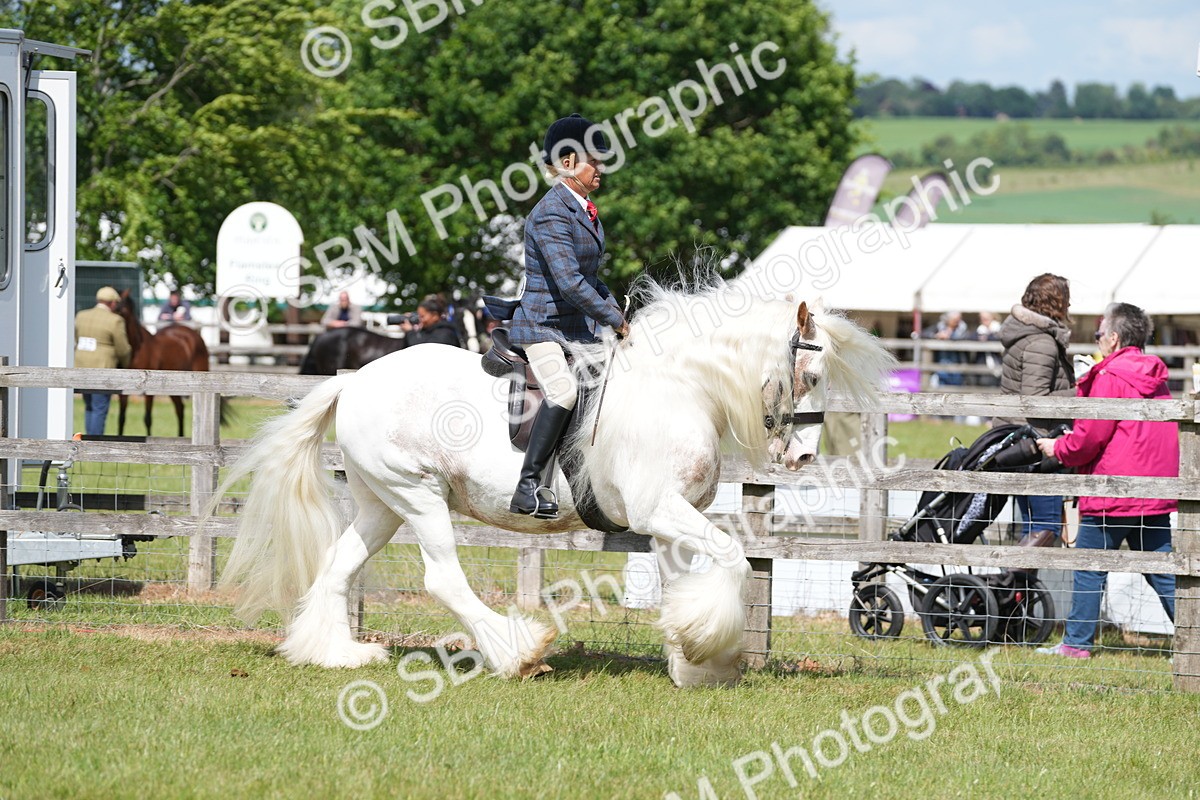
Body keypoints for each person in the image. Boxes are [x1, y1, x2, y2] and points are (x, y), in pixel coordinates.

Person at [1035, 302, 1178, 658]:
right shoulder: (1155, 377)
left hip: (1113, 490)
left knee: (1088, 568)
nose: (1097, 339)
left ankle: (1076, 644)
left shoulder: (1110, 376)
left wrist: (1058, 448)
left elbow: (1089, 437)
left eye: (1099, 334)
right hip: (1153, 490)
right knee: (1163, 572)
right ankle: (1194, 635)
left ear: (1113, 338)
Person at [507, 113, 629, 519]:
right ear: (568, 163)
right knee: (564, 392)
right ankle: (527, 486)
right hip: (542, 325)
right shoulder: (550, 213)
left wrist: (622, 310)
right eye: (595, 160)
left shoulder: (584, 210)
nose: (602, 168)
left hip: (575, 327)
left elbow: (591, 279)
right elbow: (571, 284)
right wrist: (614, 319)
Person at [997, 274, 1075, 547]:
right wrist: (1083, 391)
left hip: (1022, 441)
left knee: (1031, 525)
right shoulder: (1041, 342)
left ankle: (1020, 587)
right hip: (1036, 445)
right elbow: (1035, 398)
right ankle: (1018, 584)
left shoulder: (1024, 334)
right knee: (1044, 528)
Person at [74, 286, 133, 436]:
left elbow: (76, 339)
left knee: (89, 406)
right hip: (102, 369)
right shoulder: (115, 320)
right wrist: (126, 364)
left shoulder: (81, 316)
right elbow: (122, 349)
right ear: (112, 303)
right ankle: (94, 445)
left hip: (80, 368)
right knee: (100, 408)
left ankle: (87, 442)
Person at [395, 294, 462, 348]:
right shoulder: (426, 331)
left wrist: (410, 332)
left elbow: (425, 350)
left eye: (422, 316)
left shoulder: (446, 333)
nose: (420, 320)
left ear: (435, 316)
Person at [925, 311, 968, 387]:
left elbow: (967, 338)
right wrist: (936, 336)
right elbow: (924, 334)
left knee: (957, 389)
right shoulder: (938, 327)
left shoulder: (963, 329)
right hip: (941, 364)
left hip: (957, 365)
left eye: (958, 319)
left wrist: (950, 337)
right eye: (954, 319)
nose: (956, 321)